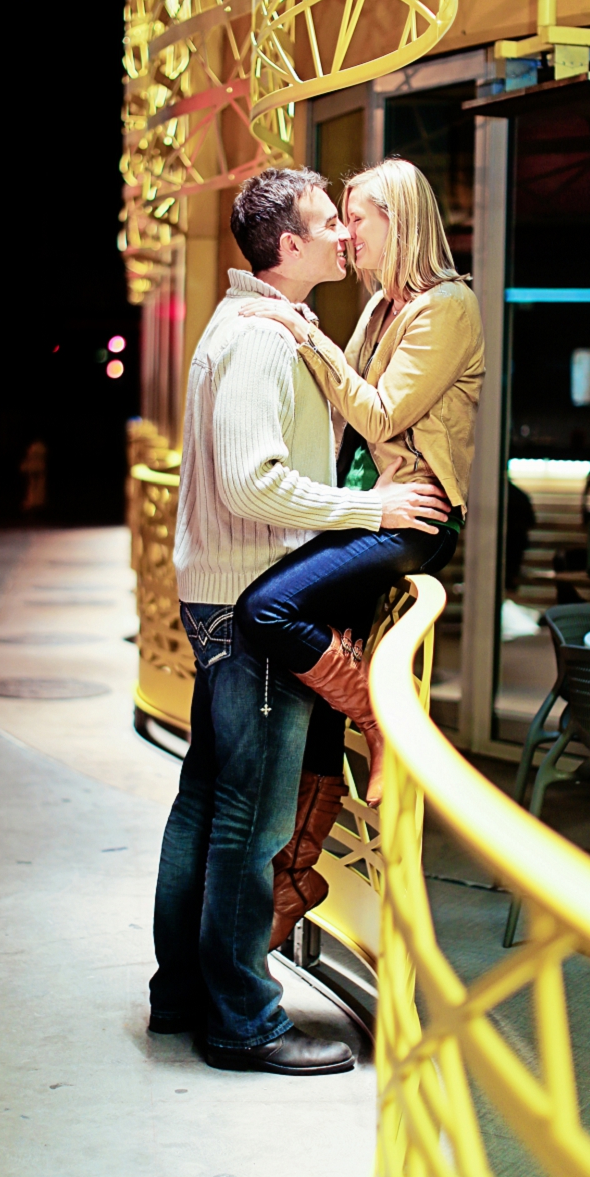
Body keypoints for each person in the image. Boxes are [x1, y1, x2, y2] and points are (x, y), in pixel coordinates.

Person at [149, 167, 450, 1076]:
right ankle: (241, 1018)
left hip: (221, 594)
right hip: (248, 598)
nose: (344, 238)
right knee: (252, 817)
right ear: (289, 247)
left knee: (207, 800)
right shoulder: (262, 341)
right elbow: (252, 481)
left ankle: (186, 996)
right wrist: (376, 510)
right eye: (329, 224)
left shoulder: (261, 325)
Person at [234, 158, 485, 943]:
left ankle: (376, 715)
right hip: (366, 515)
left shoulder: (448, 308)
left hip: (413, 518)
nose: (347, 231)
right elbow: (336, 408)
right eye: (339, 216)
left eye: (360, 216)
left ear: (399, 221)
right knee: (313, 665)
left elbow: (376, 414)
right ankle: (295, 872)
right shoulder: (380, 306)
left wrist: (303, 333)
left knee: (268, 608)